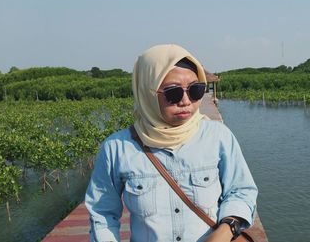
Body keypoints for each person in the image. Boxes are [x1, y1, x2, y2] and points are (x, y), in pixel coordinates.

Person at [85, 44, 258, 242]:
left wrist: (225, 230)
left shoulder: (218, 137)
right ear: (147, 92)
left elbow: (242, 190)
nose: (185, 101)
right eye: (173, 93)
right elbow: (102, 214)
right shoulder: (116, 148)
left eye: (195, 90)